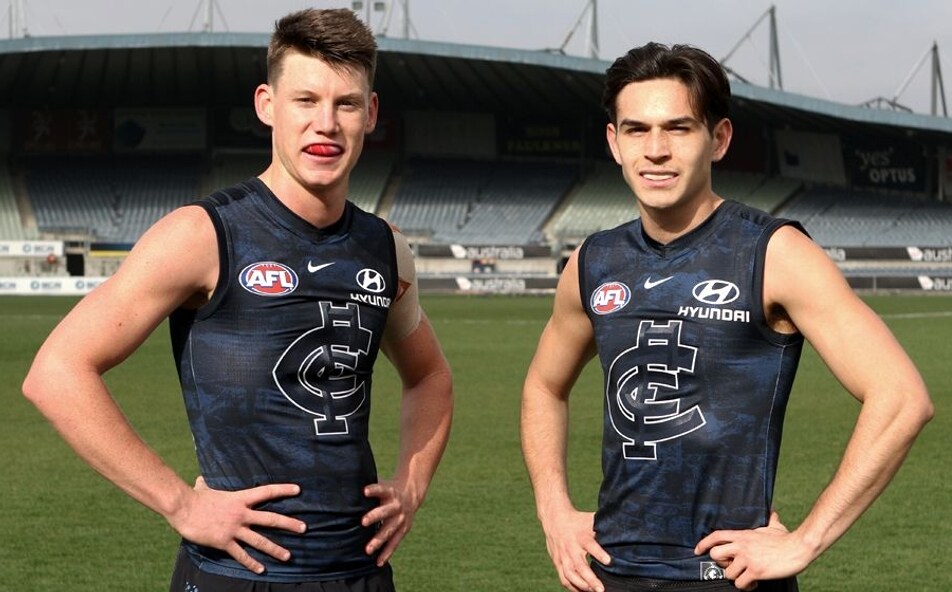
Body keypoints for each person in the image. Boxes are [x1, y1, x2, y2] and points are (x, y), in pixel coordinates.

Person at [22, 8, 453, 591]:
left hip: (360, 573)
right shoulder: (202, 235)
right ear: (267, 105)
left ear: (371, 114)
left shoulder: (384, 246)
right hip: (237, 575)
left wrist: (412, 484)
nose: (326, 124)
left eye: (346, 104)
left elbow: (430, 376)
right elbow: (56, 371)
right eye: (305, 100)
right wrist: (180, 503)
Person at [520, 42, 933, 592]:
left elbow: (901, 398)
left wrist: (805, 540)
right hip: (609, 573)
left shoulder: (775, 254)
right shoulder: (594, 261)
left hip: (728, 576)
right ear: (614, 142)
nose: (656, 150)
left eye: (679, 128)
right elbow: (544, 386)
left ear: (718, 139)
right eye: (637, 130)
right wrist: (553, 510)